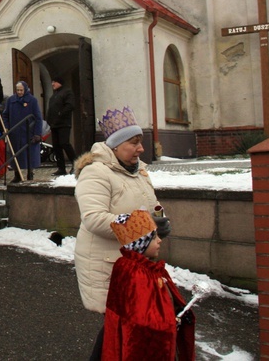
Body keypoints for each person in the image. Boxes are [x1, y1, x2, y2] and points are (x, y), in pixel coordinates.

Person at [72, 106, 171, 359]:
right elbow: (94, 218)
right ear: (115, 146)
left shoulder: (138, 170)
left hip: (133, 263)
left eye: (141, 142)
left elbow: (152, 204)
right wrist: (145, 235)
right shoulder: (96, 172)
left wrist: (160, 221)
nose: (141, 149)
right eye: (134, 143)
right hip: (108, 264)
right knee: (121, 325)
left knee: (124, 327)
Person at [102, 209, 195, 360]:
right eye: (153, 238)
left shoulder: (136, 267)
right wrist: (170, 323)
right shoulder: (137, 273)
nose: (159, 240)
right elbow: (142, 320)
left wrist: (179, 312)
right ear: (140, 245)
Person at [2, 81, 43, 182]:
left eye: (21, 90)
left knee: (29, 154)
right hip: (15, 132)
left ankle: (30, 173)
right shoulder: (11, 100)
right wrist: (6, 127)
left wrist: (37, 133)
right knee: (16, 154)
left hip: (28, 132)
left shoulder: (32, 100)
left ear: (25, 89)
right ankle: (17, 174)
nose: (19, 92)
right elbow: (5, 115)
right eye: (18, 90)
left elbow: (38, 118)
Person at [46, 76, 77, 176]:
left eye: (54, 82)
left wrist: (60, 114)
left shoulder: (67, 92)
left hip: (63, 123)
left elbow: (70, 105)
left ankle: (76, 164)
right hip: (54, 124)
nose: (52, 84)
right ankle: (61, 168)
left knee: (64, 143)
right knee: (56, 146)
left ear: (60, 82)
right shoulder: (54, 95)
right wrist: (49, 120)